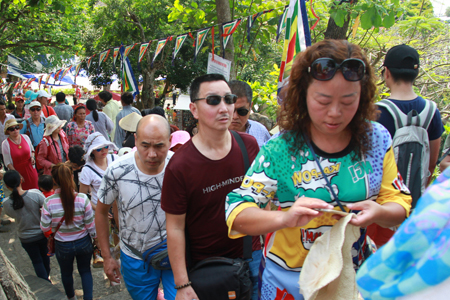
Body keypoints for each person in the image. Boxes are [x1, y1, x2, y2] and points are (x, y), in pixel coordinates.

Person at [224, 40, 413, 300]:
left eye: (348, 101)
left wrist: (379, 212)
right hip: (288, 283)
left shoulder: (376, 140)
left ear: (364, 96)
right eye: (323, 101)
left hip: (349, 279)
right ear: (302, 95)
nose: (335, 113)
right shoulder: (281, 149)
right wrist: (285, 218)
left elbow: (399, 203)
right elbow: (236, 211)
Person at [161, 74, 262, 300]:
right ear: (194, 110)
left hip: (252, 256)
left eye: (228, 99)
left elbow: (263, 199)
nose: (224, 108)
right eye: (213, 100)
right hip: (207, 269)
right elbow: (175, 228)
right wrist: (181, 284)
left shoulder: (249, 146)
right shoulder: (180, 165)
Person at [368, 44, 444, 247]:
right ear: (416, 73)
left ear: (387, 73)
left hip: (381, 207)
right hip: (415, 203)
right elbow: (431, 163)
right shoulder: (432, 111)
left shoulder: (377, 112)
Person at [96, 115, 176, 300]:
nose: (152, 154)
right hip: (135, 257)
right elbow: (101, 212)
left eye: (159, 146)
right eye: (145, 145)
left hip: (176, 253)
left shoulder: (180, 167)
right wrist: (107, 257)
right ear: (136, 140)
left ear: (170, 141)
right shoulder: (117, 170)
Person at [40, 163, 97, 300]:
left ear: (54, 180)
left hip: (62, 245)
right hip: (83, 242)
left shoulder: (48, 202)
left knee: (66, 273)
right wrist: (96, 240)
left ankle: (71, 297)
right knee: (85, 271)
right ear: (71, 177)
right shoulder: (83, 199)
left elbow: (44, 227)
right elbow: (91, 226)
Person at [2, 170, 50, 281]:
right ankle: (46, 280)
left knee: (36, 261)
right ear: (21, 180)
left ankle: (45, 282)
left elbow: (11, 214)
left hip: (25, 237)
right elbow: (47, 208)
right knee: (45, 257)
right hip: (41, 234)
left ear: (6, 186)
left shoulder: (6, 203)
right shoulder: (35, 194)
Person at [79, 133, 118, 210]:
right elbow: (82, 196)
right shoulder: (87, 170)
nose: (103, 150)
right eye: (99, 148)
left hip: (118, 206)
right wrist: (98, 210)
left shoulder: (115, 159)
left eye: (106, 147)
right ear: (92, 151)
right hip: (99, 207)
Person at [228, 80, 271, 147]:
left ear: (250, 106)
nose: (235, 116)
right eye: (230, 110)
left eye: (241, 111)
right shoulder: (210, 134)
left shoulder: (261, 132)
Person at [2, 119, 38, 190]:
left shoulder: (26, 137)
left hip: (30, 169)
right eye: (12, 129)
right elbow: (7, 163)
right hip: (17, 171)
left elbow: (32, 151)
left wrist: (32, 157)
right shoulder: (5, 144)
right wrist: (18, 175)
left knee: (35, 189)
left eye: (17, 127)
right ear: (8, 131)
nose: (15, 130)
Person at [0, 100, 16, 167]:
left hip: (12, 147)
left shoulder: (10, 117)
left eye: (4, 109)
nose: (4, 111)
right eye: (1, 109)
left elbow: (16, 131)